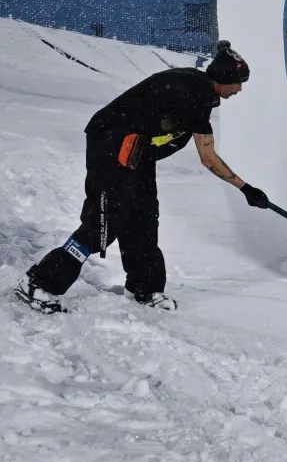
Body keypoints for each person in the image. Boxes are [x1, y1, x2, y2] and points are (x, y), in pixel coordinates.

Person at [12, 40, 270, 314]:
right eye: (238, 83)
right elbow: (207, 158)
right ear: (225, 78)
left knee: (144, 217)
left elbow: (200, 149)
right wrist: (245, 188)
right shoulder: (192, 92)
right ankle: (39, 284)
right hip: (111, 145)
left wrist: (246, 189)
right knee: (104, 221)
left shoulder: (199, 93)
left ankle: (144, 288)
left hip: (139, 153)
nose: (239, 89)